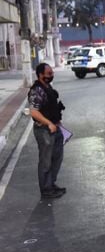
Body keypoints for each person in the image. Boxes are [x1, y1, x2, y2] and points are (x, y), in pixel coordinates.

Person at [29, 63, 67, 199]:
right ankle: (46, 189)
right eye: (49, 74)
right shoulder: (36, 91)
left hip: (55, 127)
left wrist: (57, 122)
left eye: (52, 73)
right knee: (46, 161)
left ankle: (51, 184)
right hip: (44, 130)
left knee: (56, 157)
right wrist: (49, 123)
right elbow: (34, 112)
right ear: (41, 75)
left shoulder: (48, 87)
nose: (52, 76)